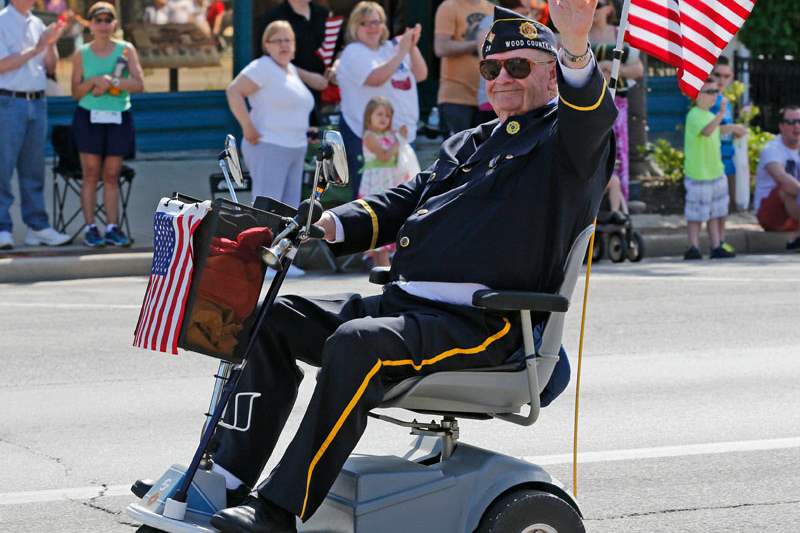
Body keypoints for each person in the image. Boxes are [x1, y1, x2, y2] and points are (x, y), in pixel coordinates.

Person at [201, 3, 616, 531]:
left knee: (358, 345)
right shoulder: (469, 142)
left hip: (488, 325)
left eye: (519, 67)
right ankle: (228, 479)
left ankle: (279, 511)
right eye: (492, 69)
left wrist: (577, 44)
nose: (503, 79)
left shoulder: (566, 145)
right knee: (271, 320)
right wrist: (324, 223)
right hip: (410, 311)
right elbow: (402, 201)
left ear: (552, 73)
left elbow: (594, 118)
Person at [226, 20, 326, 208]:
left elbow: (315, 89)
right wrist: (247, 127)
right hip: (269, 146)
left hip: (296, 148)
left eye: (288, 40)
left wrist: (305, 128)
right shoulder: (262, 67)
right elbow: (233, 91)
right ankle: (261, 240)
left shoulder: (291, 71)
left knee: (289, 212)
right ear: (266, 45)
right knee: (266, 211)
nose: (284, 45)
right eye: (278, 40)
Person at [334, 1, 425, 199]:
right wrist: (402, 51)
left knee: (404, 197)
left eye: (377, 22)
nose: (372, 27)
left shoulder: (391, 48)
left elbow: (421, 74)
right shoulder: (353, 52)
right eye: (365, 23)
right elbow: (376, 78)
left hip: (402, 136)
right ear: (354, 27)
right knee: (372, 200)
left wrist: (412, 47)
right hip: (368, 139)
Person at [70, 2, 144, 247]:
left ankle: (112, 226)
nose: (103, 25)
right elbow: (76, 93)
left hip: (118, 117)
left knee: (112, 174)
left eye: (108, 20)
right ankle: (91, 227)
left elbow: (138, 83)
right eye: (98, 20)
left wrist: (112, 81)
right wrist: (93, 81)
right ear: (90, 24)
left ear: (114, 23)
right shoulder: (81, 53)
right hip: (89, 117)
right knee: (90, 174)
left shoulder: (126, 50)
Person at [0, 0, 71, 250]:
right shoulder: (1, 20)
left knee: (33, 169)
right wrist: (38, 47)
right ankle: (2, 228)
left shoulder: (37, 22)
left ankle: (37, 227)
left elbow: (50, 67)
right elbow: (2, 65)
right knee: (3, 168)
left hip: (37, 102)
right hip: (8, 101)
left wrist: (50, 45)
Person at [589, 0, 643, 218]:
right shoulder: (579, 34)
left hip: (616, 102)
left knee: (617, 150)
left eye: (599, 4)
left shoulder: (619, 33)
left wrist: (613, 68)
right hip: (587, 103)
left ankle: (619, 209)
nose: (594, 8)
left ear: (610, 8)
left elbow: (637, 69)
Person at [682, 77, 735, 260]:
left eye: (716, 92)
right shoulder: (694, 114)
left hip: (715, 172)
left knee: (716, 212)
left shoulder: (711, 116)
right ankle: (693, 246)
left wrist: (734, 127)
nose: (714, 96)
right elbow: (706, 131)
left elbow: (718, 130)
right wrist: (721, 115)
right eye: (710, 92)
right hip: (698, 173)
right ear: (698, 95)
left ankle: (716, 245)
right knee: (695, 214)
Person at [359, 96, 414, 267]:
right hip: (375, 185)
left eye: (388, 115)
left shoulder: (390, 135)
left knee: (387, 225)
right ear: (369, 117)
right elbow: (384, 156)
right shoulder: (369, 136)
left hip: (389, 181)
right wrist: (399, 140)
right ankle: (384, 270)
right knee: (379, 226)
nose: (384, 118)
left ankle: (381, 269)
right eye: (380, 114)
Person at [434, 0, 493, 137]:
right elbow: (441, 47)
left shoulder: (493, 9)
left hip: (489, 98)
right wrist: (479, 43)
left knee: (484, 155)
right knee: (456, 155)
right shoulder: (449, 6)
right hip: (456, 98)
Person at [710, 56, 748, 253]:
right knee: (715, 206)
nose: (722, 80)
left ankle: (721, 240)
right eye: (718, 75)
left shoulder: (727, 102)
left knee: (724, 206)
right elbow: (710, 129)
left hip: (728, 159)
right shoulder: (708, 100)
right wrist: (733, 128)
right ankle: (716, 242)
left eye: (726, 76)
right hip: (714, 160)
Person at [475, 0, 532, 124]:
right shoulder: (490, 23)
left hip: (525, 99)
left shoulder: (531, 25)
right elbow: (487, 60)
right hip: (494, 99)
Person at [753, 106, 800, 252]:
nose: (797, 126)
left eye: (799, 121)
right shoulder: (772, 149)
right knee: (786, 188)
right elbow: (782, 178)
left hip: (794, 213)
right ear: (781, 126)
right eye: (791, 122)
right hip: (771, 214)